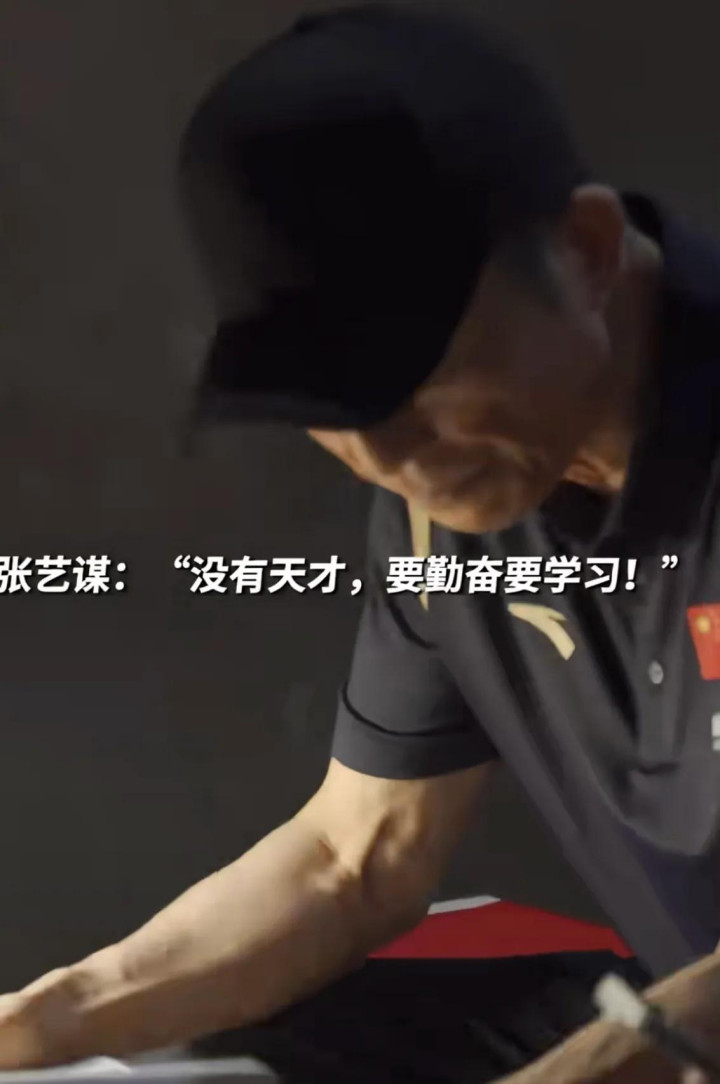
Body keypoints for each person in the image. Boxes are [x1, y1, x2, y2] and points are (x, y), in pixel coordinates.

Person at [2, 6, 720, 1082]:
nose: (384, 458)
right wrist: (45, 1020)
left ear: (584, 251)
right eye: (331, 408)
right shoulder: (456, 489)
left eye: (415, 380)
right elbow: (356, 858)